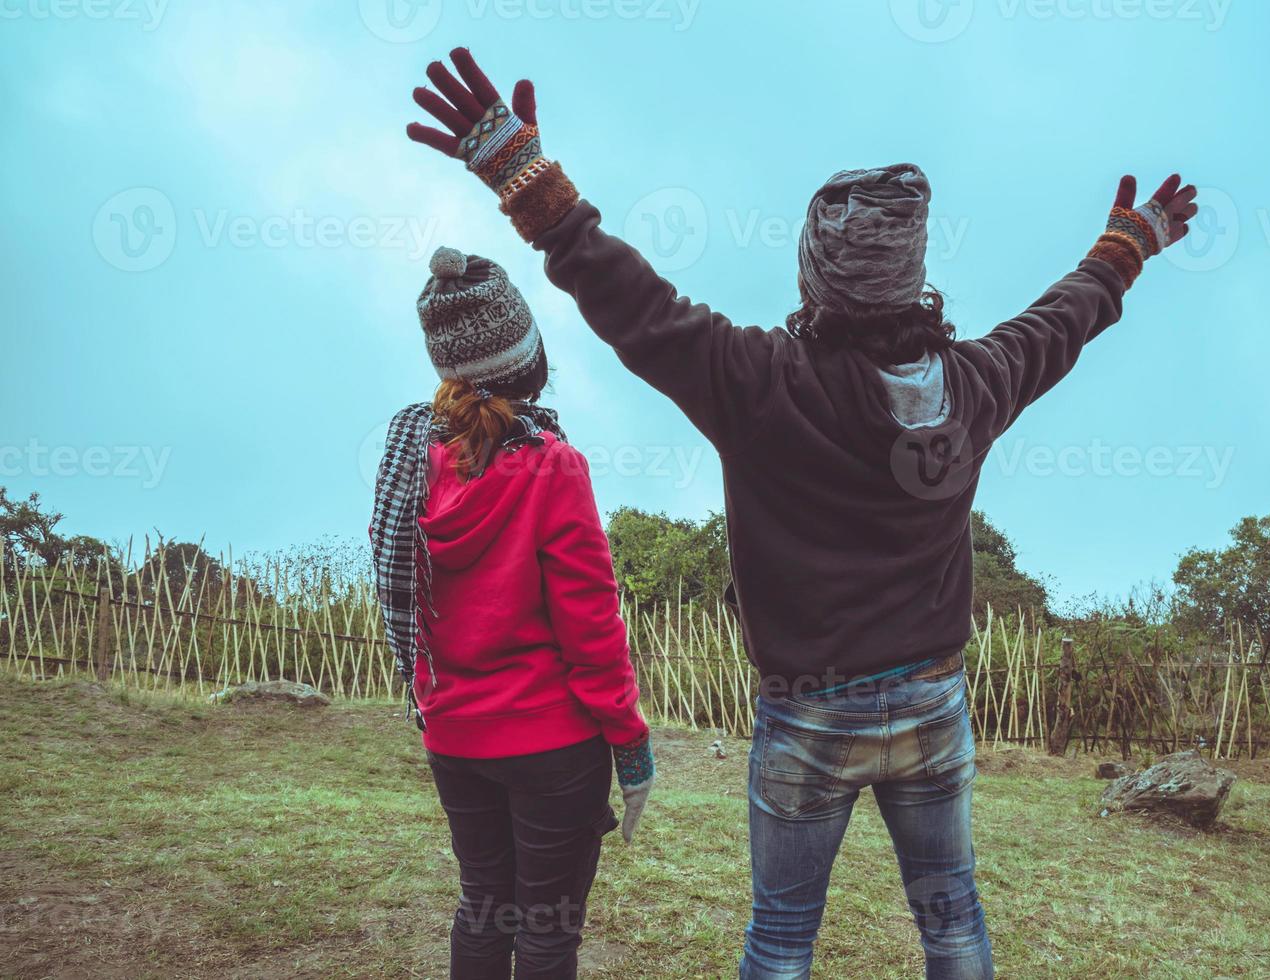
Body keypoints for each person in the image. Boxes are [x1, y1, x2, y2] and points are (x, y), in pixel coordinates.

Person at [404, 47, 1196, 980]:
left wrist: (520, 173)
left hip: (807, 719)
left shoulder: (756, 381)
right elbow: (1064, 318)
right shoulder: (975, 385)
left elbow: (631, 302)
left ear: (814, 272)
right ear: (912, 275)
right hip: (934, 706)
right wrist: (1128, 244)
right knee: (953, 922)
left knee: (782, 941)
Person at [369, 244, 655, 980]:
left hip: (455, 736)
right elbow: (591, 626)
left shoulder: (409, 460)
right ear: (525, 362)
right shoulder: (553, 467)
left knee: (483, 906)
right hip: (552, 746)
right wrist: (630, 742)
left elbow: (401, 594)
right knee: (550, 931)